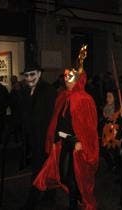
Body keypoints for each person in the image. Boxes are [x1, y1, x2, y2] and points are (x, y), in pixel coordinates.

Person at [33, 45, 99, 210]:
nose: (67, 80)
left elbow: (88, 126)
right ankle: (75, 197)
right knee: (63, 175)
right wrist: (55, 136)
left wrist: (81, 142)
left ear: (78, 79)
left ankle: (74, 204)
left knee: (74, 177)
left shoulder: (84, 99)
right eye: (66, 77)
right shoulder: (63, 96)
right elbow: (58, 120)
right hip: (64, 141)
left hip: (76, 144)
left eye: (71, 77)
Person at [20, 65, 56, 210]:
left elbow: (49, 116)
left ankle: (32, 202)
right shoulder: (27, 90)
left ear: (39, 74)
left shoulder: (48, 90)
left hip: (45, 139)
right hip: (34, 139)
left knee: (39, 170)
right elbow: (26, 112)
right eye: (26, 75)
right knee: (45, 169)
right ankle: (49, 196)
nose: (29, 78)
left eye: (32, 74)